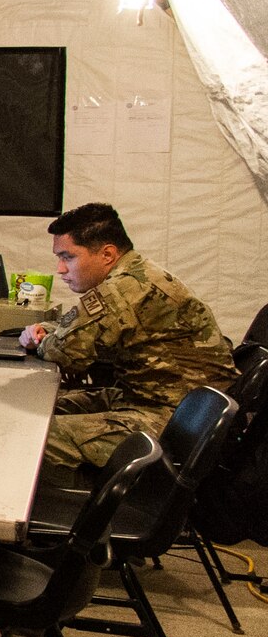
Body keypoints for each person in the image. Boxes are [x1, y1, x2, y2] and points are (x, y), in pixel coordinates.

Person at [17, 202, 236, 473]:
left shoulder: (121, 289)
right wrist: (48, 332)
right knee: (39, 405)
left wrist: (39, 339)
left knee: (32, 433)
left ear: (107, 254)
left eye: (68, 257)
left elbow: (67, 353)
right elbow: (78, 332)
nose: (61, 269)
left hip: (174, 419)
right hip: (159, 402)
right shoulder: (135, 273)